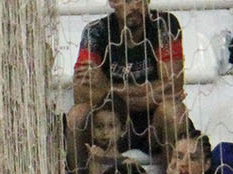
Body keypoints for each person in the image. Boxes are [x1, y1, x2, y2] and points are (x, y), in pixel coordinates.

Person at [68, 0, 190, 160]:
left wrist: (106, 88)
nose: (135, 7)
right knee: (77, 115)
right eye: (128, 1)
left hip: (153, 124)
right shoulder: (95, 32)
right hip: (109, 125)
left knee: (174, 111)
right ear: (113, 2)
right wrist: (148, 96)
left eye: (141, 1)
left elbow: (173, 87)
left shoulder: (164, 24)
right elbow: (81, 94)